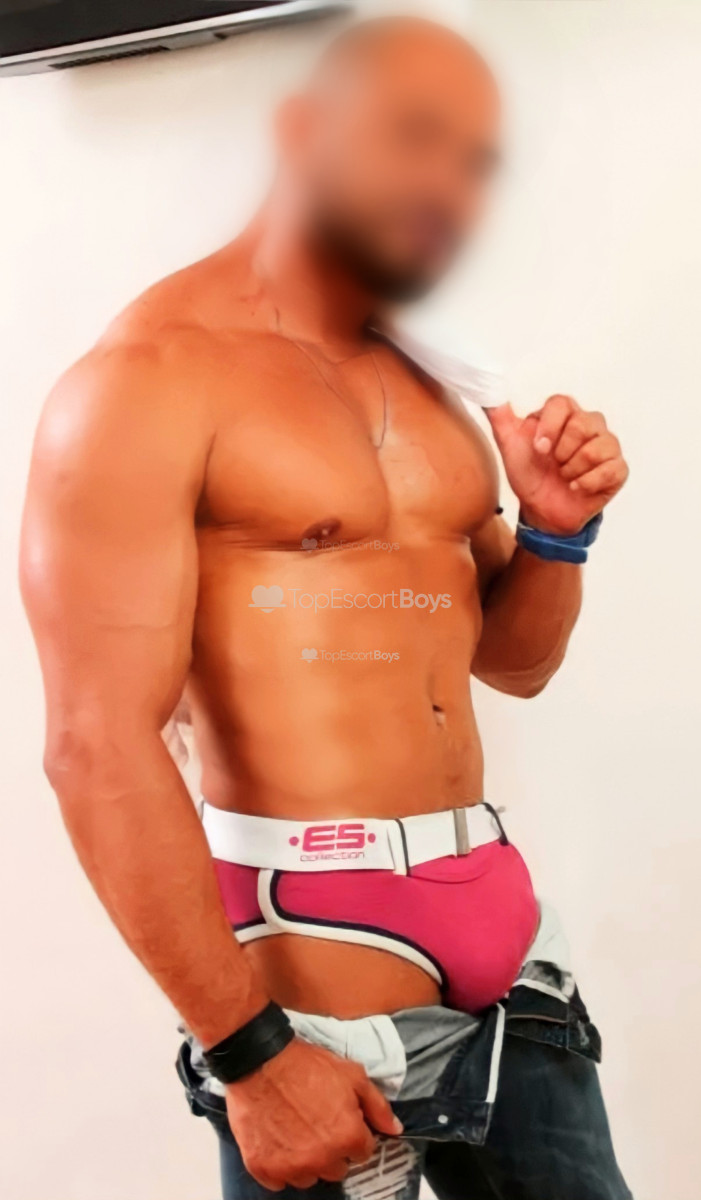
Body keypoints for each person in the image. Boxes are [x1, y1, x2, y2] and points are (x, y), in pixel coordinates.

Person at [20, 16, 631, 1200]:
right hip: (312, 1002)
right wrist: (249, 1057)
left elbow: (512, 664)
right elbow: (94, 745)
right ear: (302, 132)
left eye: (474, 161)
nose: (448, 186)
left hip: (513, 972)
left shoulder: (439, 385)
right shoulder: (146, 381)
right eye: (414, 136)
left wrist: (554, 532)